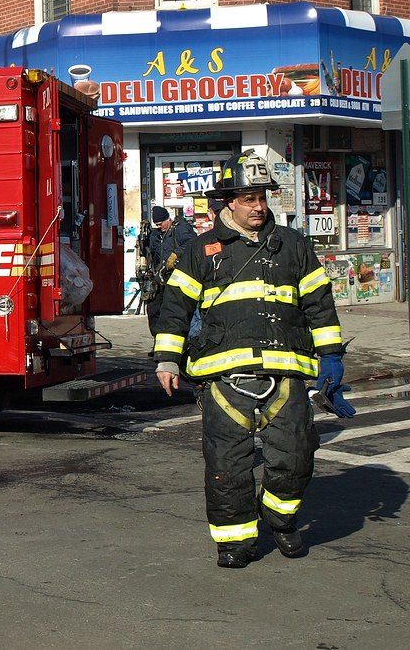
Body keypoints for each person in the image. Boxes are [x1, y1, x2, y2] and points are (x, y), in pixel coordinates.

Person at [153, 150, 354, 569]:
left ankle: (280, 519)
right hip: (223, 378)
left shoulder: (294, 246)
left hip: (288, 371)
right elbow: (175, 307)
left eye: (262, 197)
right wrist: (168, 360)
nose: (259, 206)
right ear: (229, 201)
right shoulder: (200, 251)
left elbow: (319, 303)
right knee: (228, 464)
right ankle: (236, 541)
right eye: (248, 198)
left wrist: (332, 356)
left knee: (296, 454)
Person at [140, 204, 197, 337]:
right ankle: (158, 340)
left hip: (176, 275)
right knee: (153, 309)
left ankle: (177, 340)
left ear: (168, 219)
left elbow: (191, 242)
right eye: (157, 224)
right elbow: (149, 252)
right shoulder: (155, 234)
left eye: (160, 223)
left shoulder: (180, 229)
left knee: (172, 310)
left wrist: (176, 254)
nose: (159, 226)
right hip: (159, 277)